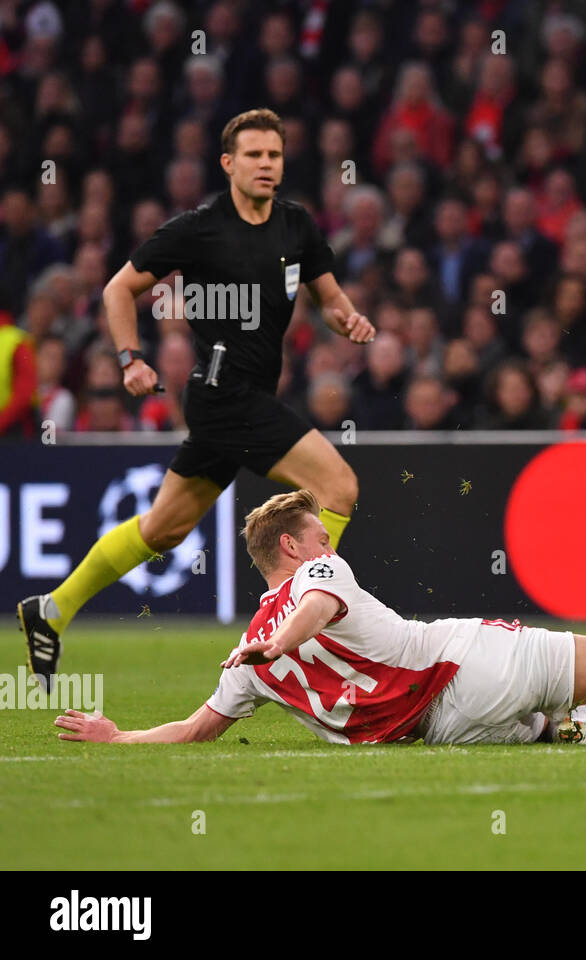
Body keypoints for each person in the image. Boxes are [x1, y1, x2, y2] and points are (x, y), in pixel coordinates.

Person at [52, 490, 586, 748]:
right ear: (292, 542)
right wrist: (286, 632)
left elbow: (199, 730)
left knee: (541, 724)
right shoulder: (316, 573)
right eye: (317, 529)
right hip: (473, 665)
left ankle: (565, 734)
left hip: (435, 732)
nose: (330, 536)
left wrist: (118, 739)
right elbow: (312, 606)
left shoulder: (245, 659)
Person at [19, 108, 375, 692]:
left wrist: (350, 320)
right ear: (228, 163)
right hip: (222, 393)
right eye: (254, 155)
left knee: (163, 530)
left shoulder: (296, 227)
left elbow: (331, 300)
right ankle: (308, 624)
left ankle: (52, 609)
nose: (266, 164)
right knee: (339, 486)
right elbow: (119, 289)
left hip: (244, 397)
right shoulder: (201, 228)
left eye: (275, 155)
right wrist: (131, 358)